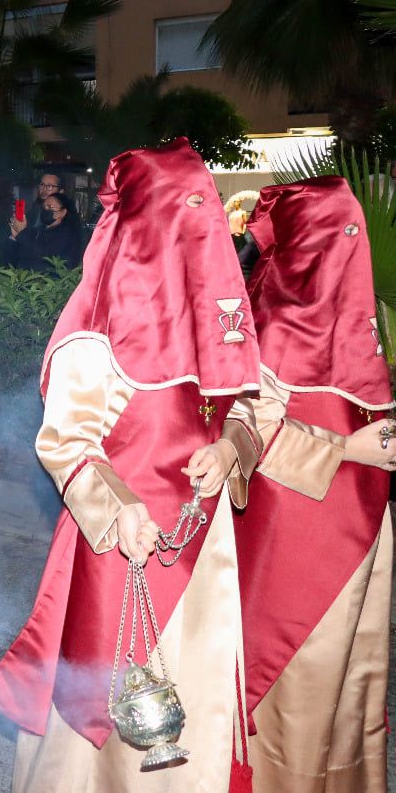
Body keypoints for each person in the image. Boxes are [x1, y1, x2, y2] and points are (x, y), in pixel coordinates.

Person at [0, 139, 261, 792]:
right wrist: (118, 507)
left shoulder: (215, 318)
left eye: (207, 212)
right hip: (124, 553)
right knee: (107, 735)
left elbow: (248, 411)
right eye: (187, 211)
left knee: (203, 709)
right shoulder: (99, 325)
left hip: (207, 555)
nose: (204, 230)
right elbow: (65, 440)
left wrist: (230, 451)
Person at [226, 179, 395, 791]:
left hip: (361, 516)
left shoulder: (357, 315)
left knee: (352, 671)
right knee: (298, 672)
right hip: (295, 527)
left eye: (358, 231)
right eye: (342, 230)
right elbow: (245, 431)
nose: (355, 243)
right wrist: (349, 448)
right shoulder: (268, 317)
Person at [10, 192, 84, 271]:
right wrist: (14, 238)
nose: (45, 209)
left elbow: (43, 255)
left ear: (63, 212)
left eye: (50, 207)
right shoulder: (37, 230)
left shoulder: (67, 234)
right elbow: (16, 257)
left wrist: (22, 233)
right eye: (44, 206)